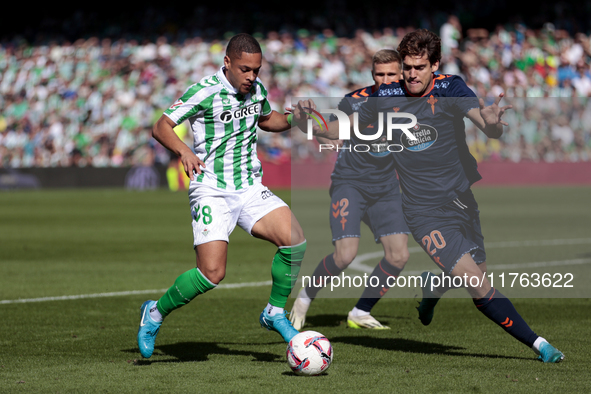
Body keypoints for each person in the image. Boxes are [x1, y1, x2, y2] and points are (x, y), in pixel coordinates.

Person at [294, 29, 564, 363]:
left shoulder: (452, 87)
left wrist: (493, 124)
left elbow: (484, 122)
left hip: (462, 201)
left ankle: (433, 287)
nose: (410, 74)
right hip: (424, 213)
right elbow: (342, 127)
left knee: (477, 267)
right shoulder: (387, 96)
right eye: (406, 66)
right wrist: (314, 125)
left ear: (434, 65)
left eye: (419, 67)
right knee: (479, 285)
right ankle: (540, 345)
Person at [137, 33, 307, 359]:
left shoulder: (256, 90)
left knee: (295, 240)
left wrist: (294, 120)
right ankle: (154, 313)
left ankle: (274, 313)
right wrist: (184, 151)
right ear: (227, 62)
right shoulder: (204, 91)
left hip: (249, 186)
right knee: (212, 273)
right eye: (245, 69)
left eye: (256, 70)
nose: (252, 77)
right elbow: (161, 127)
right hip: (211, 189)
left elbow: (268, 119)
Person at [290, 49, 410, 330]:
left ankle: (360, 311)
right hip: (350, 183)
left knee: (399, 256)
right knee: (345, 255)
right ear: (372, 75)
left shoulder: (411, 101)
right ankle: (305, 298)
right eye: (379, 74)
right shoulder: (355, 102)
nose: (386, 79)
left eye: (391, 74)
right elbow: (331, 129)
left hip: (386, 188)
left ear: (402, 74)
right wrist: (306, 121)